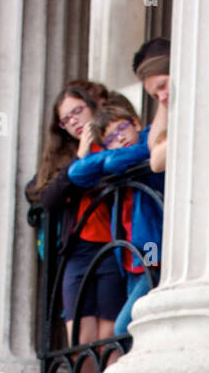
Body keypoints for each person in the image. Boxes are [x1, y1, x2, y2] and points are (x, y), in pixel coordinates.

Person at [26, 80, 127, 363]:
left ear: (92, 107)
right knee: (80, 339)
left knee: (108, 336)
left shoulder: (112, 139)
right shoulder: (62, 157)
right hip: (77, 249)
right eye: (65, 119)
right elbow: (45, 197)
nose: (73, 121)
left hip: (113, 246)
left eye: (77, 111)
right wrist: (80, 157)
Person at [68, 91, 167, 339]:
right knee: (139, 324)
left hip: (152, 253)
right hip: (130, 260)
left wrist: (109, 158)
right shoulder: (121, 159)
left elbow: (117, 162)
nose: (119, 137)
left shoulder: (149, 144)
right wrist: (104, 156)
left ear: (135, 123)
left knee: (124, 328)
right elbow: (76, 173)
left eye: (122, 128)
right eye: (110, 138)